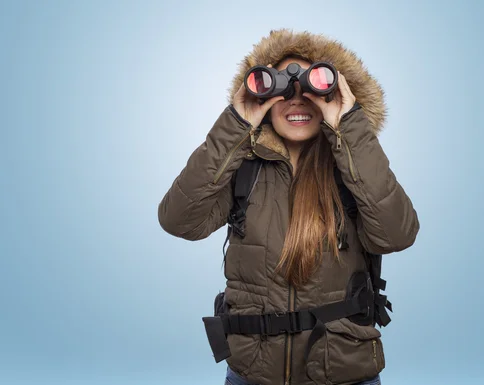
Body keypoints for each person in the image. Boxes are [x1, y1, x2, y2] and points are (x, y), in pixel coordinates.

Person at [158, 28, 419, 385]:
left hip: (344, 373)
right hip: (252, 373)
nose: (297, 100)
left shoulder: (354, 167)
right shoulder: (243, 170)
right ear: (262, 97)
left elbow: (396, 234)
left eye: (312, 88)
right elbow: (178, 220)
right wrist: (235, 126)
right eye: (281, 88)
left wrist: (350, 126)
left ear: (337, 92)